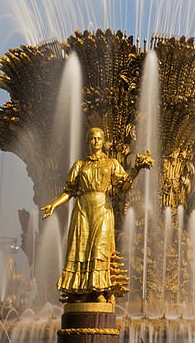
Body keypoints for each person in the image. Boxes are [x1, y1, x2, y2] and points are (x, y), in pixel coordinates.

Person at [40, 127, 151, 302]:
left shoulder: (111, 163)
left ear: (103, 141)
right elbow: (69, 191)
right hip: (83, 209)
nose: (95, 142)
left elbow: (123, 185)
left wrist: (136, 169)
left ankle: (100, 290)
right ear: (87, 141)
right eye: (92, 139)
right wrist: (53, 205)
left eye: (98, 139)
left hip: (102, 208)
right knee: (81, 250)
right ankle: (82, 289)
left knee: (100, 248)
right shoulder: (79, 165)